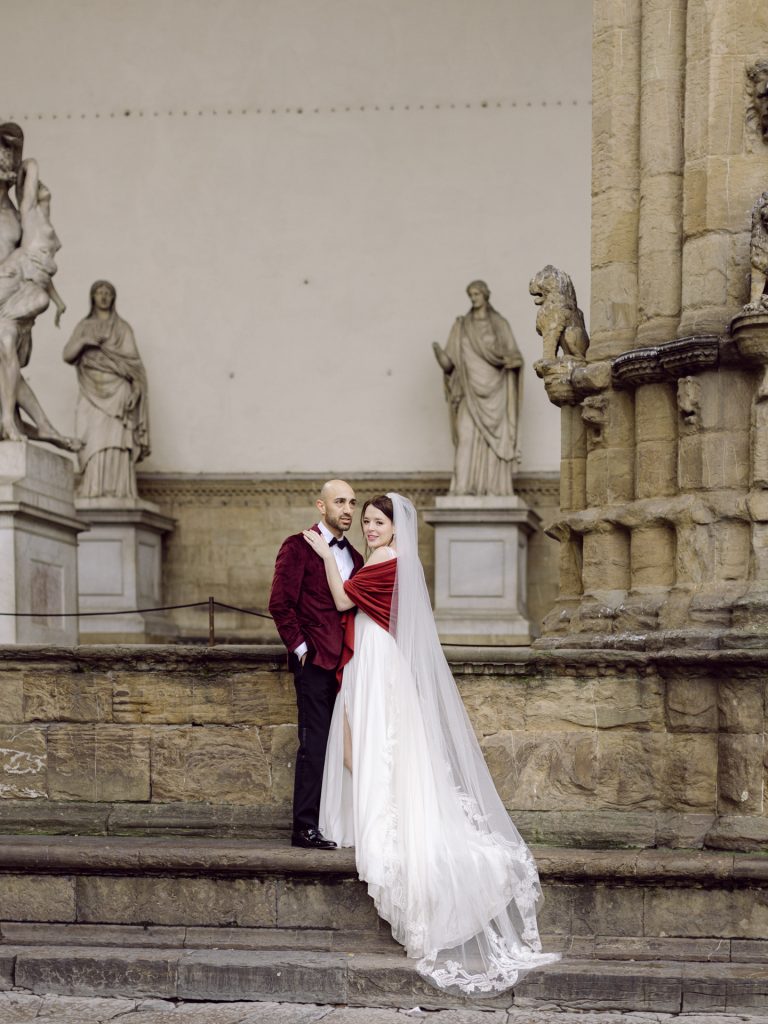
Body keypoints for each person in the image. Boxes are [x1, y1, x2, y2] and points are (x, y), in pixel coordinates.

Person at [303, 493, 559, 994]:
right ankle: (367, 814)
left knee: (376, 741)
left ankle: (379, 821)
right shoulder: (391, 558)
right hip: (375, 655)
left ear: (396, 528)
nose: (371, 529)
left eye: (378, 522)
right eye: (368, 522)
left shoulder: (384, 559)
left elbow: (340, 601)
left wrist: (321, 557)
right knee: (370, 741)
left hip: (375, 655)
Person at [269, 479, 364, 849]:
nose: (348, 510)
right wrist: (301, 648)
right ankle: (304, 827)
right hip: (316, 663)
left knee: (349, 746)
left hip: (348, 665)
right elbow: (280, 604)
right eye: (339, 502)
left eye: (352, 503)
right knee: (314, 744)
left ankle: (340, 823)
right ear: (321, 506)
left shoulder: (355, 557)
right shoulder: (297, 546)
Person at [432, 280, 523, 495]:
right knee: (465, 437)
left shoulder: (499, 324)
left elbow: (515, 355)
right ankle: (462, 489)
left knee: (493, 444)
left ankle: (495, 488)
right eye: (470, 294)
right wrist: (438, 352)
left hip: (496, 392)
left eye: (476, 294)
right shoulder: (461, 326)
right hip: (468, 392)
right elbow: (449, 364)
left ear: (485, 295)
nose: (473, 298)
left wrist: (513, 362)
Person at [62, 281, 150, 498]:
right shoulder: (84, 327)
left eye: (108, 293)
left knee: (116, 439)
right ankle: (92, 486)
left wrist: (137, 391)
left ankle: (118, 489)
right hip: (90, 390)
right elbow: (67, 355)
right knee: (89, 435)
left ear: (113, 298)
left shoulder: (122, 329)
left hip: (119, 390)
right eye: (99, 293)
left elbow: (135, 367)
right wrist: (85, 341)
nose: (103, 297)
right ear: (92, 297)